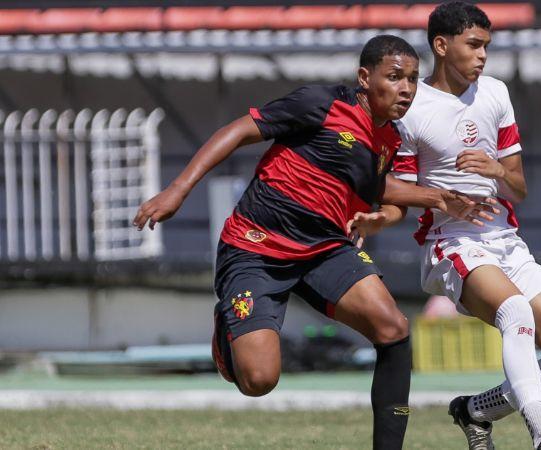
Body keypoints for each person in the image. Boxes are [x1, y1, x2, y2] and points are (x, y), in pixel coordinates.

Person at [133, 35, 489, 450]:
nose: (406, 88)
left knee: (393, 328)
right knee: (258, 381)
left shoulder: (389, 139)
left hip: (324, 250)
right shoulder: (320, 104)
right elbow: (236, 131)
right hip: (256, 249)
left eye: (411, 79)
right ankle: (228, 329)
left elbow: (378, 189)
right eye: (394, 77)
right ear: (364, 77)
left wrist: (431, 199)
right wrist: (177, 190)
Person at [356, 3, 541, 449]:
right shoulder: (412, 109)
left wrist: (497, 171)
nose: (483, 55)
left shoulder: (496, 93)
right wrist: (378, 218)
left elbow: (519, 188)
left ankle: (475, 411)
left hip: (506, 241)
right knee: (516, 312)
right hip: (453, 242)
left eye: (487, 45)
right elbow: (397, 192)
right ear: (442, 45)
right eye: (474, 45)